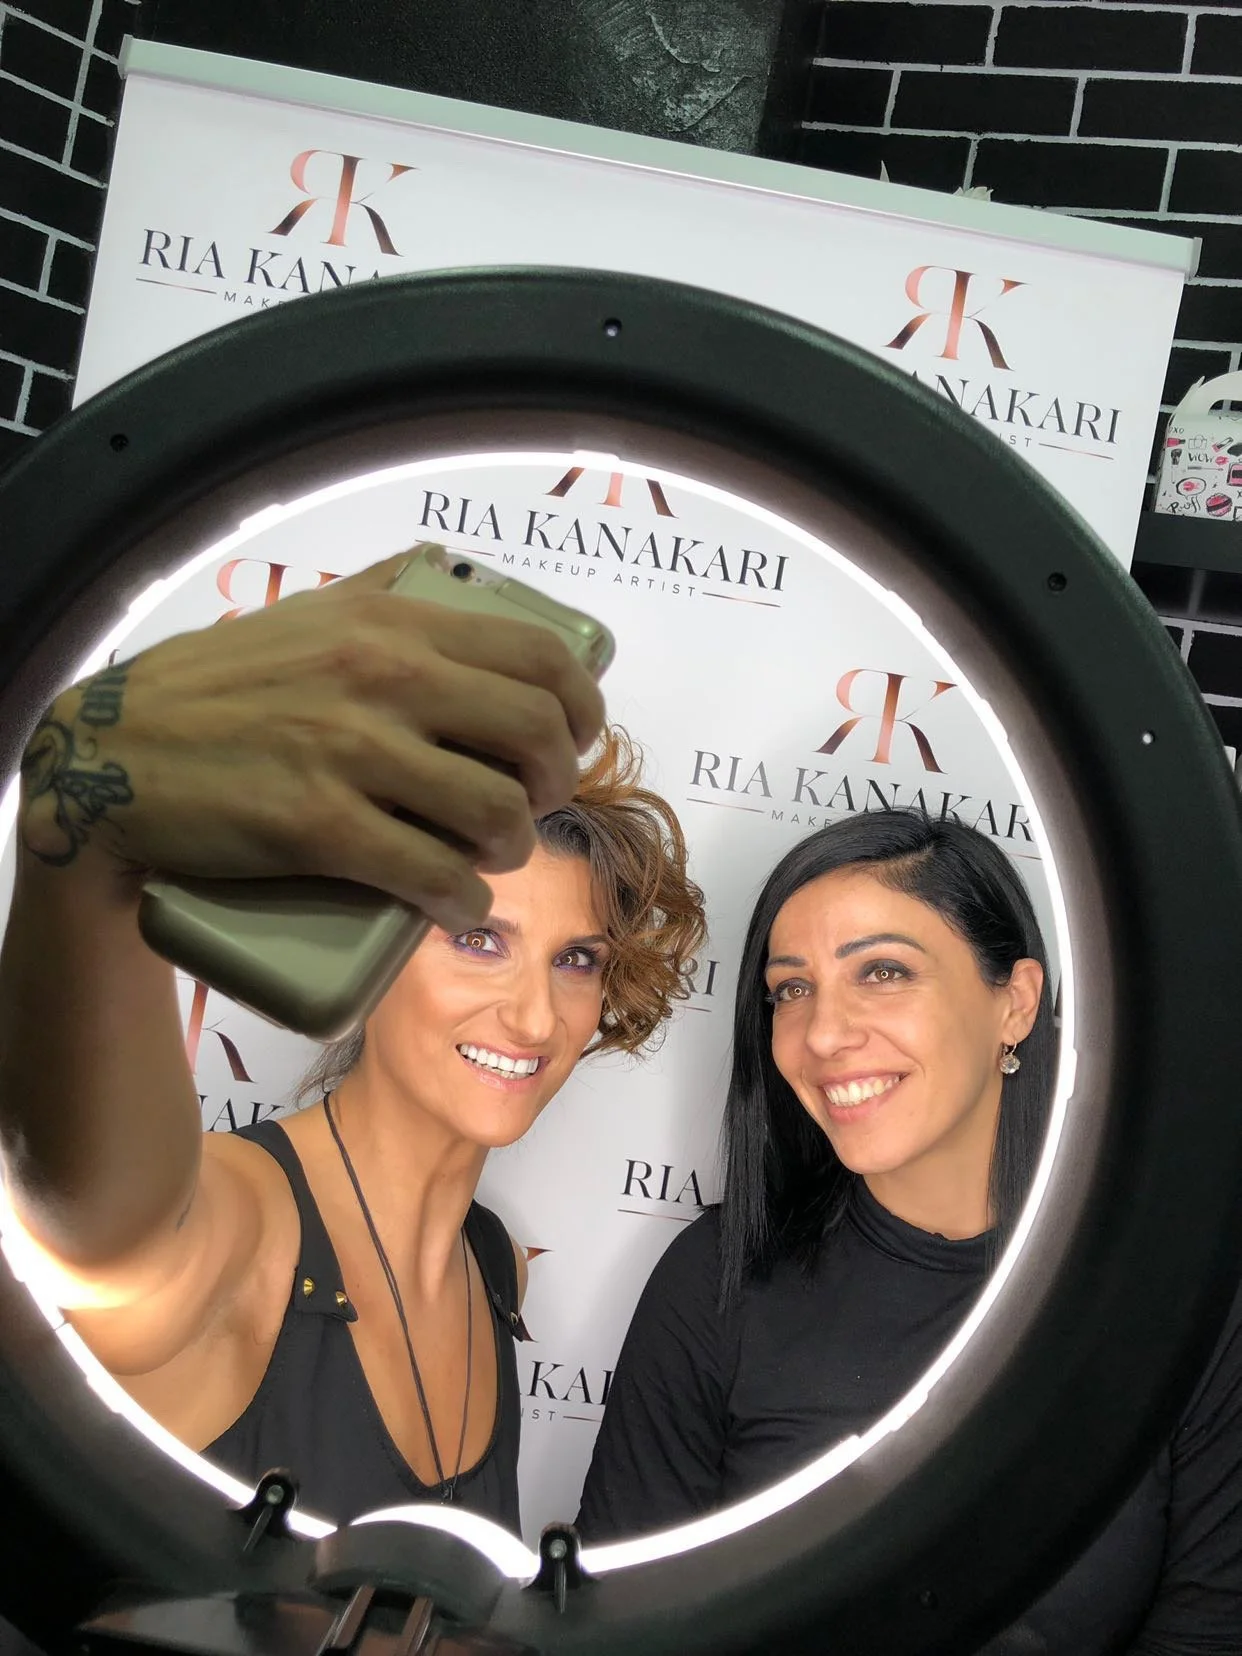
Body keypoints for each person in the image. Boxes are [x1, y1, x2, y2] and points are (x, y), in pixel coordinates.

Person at [0, 550, 706, 1533]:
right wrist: (80, 832)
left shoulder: (494, 1266)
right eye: (477, 938)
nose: (537, 1017)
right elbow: (94, 1242)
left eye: (577, 960)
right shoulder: (238, 1225)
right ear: (366, 947)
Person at [577, 810, 1242, 1653]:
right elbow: (624, 1632)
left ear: (1017, 1003)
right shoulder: (713, 1285)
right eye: (791, 988)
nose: (823, 1033)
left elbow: (1214, 1625)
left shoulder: (1180, 1295)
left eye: (883, 971)